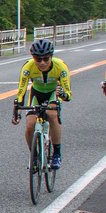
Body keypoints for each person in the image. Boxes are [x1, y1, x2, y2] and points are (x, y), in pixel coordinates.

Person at [13, 38, 72, 168]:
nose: (42, 62)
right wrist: (16, 110)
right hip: (36, 93)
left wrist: (62, 94)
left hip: (53, 94)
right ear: (33, 58)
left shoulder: (61, 66)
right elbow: (21, 91)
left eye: (46, 59)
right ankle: (34, 156)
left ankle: (57, 154)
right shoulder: (28, 67)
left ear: (51, 56)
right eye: (38, 59)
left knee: (51, 115)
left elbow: (68, 94)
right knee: (30, 125)